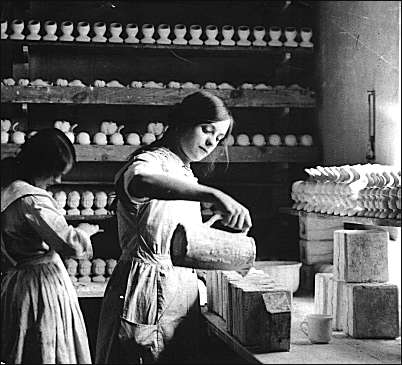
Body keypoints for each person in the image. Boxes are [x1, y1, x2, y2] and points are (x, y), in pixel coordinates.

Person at [96, 91, 252, 364]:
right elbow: (142, 182)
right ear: (183, 122)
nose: (211, 143)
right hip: (144, 290)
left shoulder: (185, 171)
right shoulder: (150, 161)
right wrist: (213, 195)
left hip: (179, 293)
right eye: (207, 130)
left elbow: (176, 237)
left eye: (218, 139)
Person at [1, 128, 100, 364]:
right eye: (56, 173)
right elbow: (71, 245)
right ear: (40, 167)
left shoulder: (7, 191)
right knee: (50, 350)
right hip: (40, 284)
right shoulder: (31, 200)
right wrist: (86, 231)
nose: (58, 181)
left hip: (17, 281)